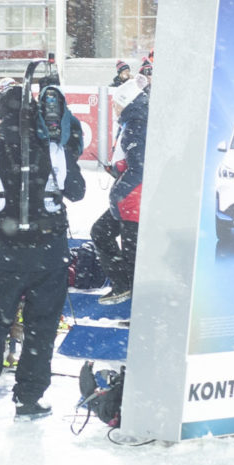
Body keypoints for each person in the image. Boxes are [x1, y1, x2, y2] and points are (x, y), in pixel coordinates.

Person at [0, 85, 85, 420]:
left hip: (4, 252)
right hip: (48, 251)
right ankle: (29, 399)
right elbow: (77, 191)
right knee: (42, 328)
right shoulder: (54, 149)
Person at [92, 71, 150, 305]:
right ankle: (123, 285)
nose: (114, 109)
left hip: (133, 203)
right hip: (133, 201)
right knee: (101, 233)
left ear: (126, 103)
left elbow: (140, 168)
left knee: (130, 254)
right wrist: (118, 170)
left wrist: (116, 194)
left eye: (116, 104)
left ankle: (129, 294)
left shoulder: (135, 126)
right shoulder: (137, 122)